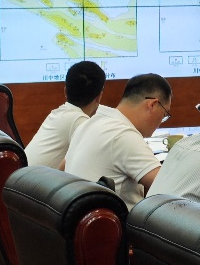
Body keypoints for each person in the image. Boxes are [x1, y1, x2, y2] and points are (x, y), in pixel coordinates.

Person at [65, 72, 172, 210]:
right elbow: (169, 187)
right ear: (152, 105)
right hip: (115, 221)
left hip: (81, 216)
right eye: (164, 114)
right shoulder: (123, 134)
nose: (160, 123)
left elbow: (62, 167)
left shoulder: (88, 124)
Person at [24, 60, 106, 168]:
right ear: (99, 97)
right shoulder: (80, 122)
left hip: (21, 176)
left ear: (65, 91)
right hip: (36, 178)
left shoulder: (57, 114)